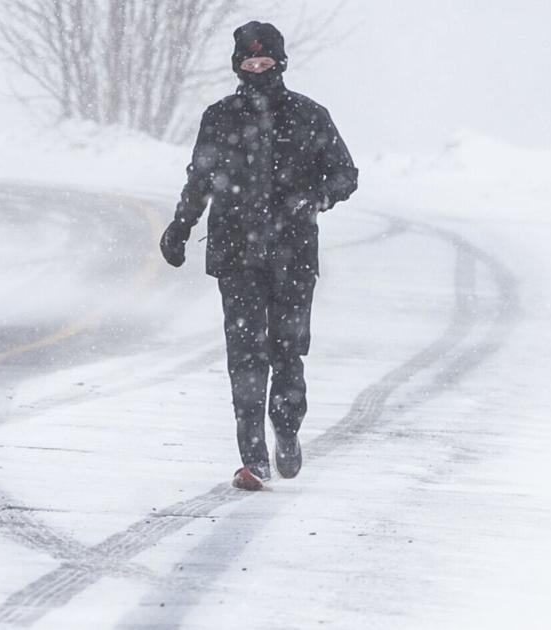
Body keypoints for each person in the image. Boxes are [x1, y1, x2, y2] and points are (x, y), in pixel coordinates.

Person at [160, 21, 358, 491]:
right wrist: (180, 226)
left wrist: (313, 199)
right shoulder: (220, 117)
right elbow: (200, 180)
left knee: (287, 350)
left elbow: (345, 175)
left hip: (293, 253)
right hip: (235, 252)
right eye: (248, 64)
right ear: (237, 67)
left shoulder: (310, 116)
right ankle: (253, 457)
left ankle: (286, 429)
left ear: (280, 64)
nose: (257, 70)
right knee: (245, 354)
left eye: (265, 63)